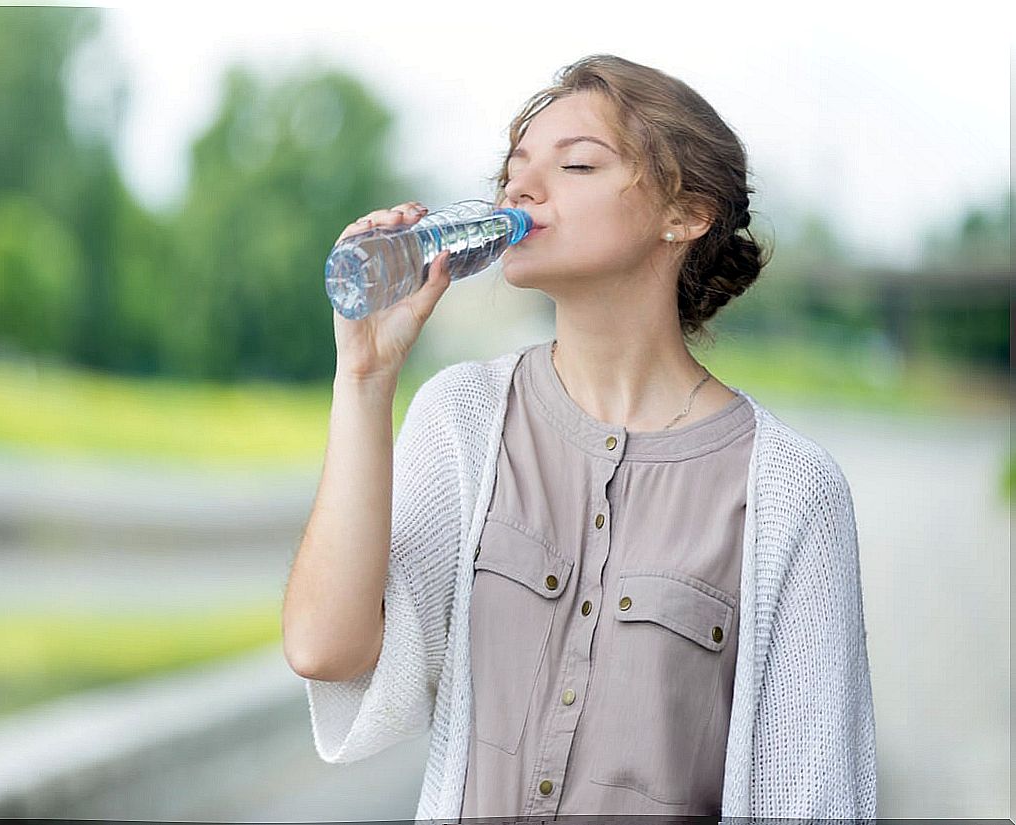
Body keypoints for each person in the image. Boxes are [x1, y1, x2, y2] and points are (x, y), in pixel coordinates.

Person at [282, 54, 877, 822]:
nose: (521, 190)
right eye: (515, 168)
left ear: (685, 213)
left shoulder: (792, 491)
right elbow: (324, 650)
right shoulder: (463, 418)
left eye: (578, 164)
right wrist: (363, 377)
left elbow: (814, 797)